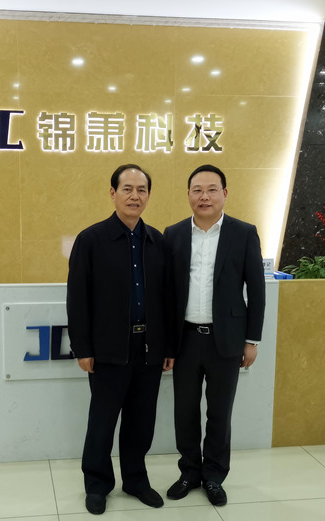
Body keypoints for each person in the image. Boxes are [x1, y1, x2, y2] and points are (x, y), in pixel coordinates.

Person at [67, 164, 174, 515]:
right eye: (127, 189)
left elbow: (167, 299)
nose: (134, 196)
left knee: (141, 422)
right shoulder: (91, 240)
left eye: (141, 190)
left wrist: (168, 347)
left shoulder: (157, 241)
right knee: (102, 422)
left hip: (149, 349)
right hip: (108, 350)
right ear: (113, 193)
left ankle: (136, 480)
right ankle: (97, 484)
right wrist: (83, 348)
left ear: (148, 196)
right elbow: (77, 299)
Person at [163, 164, 266, 506]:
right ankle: (189, 472)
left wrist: (252, 340)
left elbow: (257, 290)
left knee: (220, 413)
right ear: (188, 194)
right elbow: (166, 293)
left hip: (228, 340)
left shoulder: (244, 233)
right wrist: (166, 343)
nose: (204, 196)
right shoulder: (174, 234)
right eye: (197, 190)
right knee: (185, 412)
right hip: (185, 339)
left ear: (224, 193)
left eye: (211, 189)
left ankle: (214, 476)